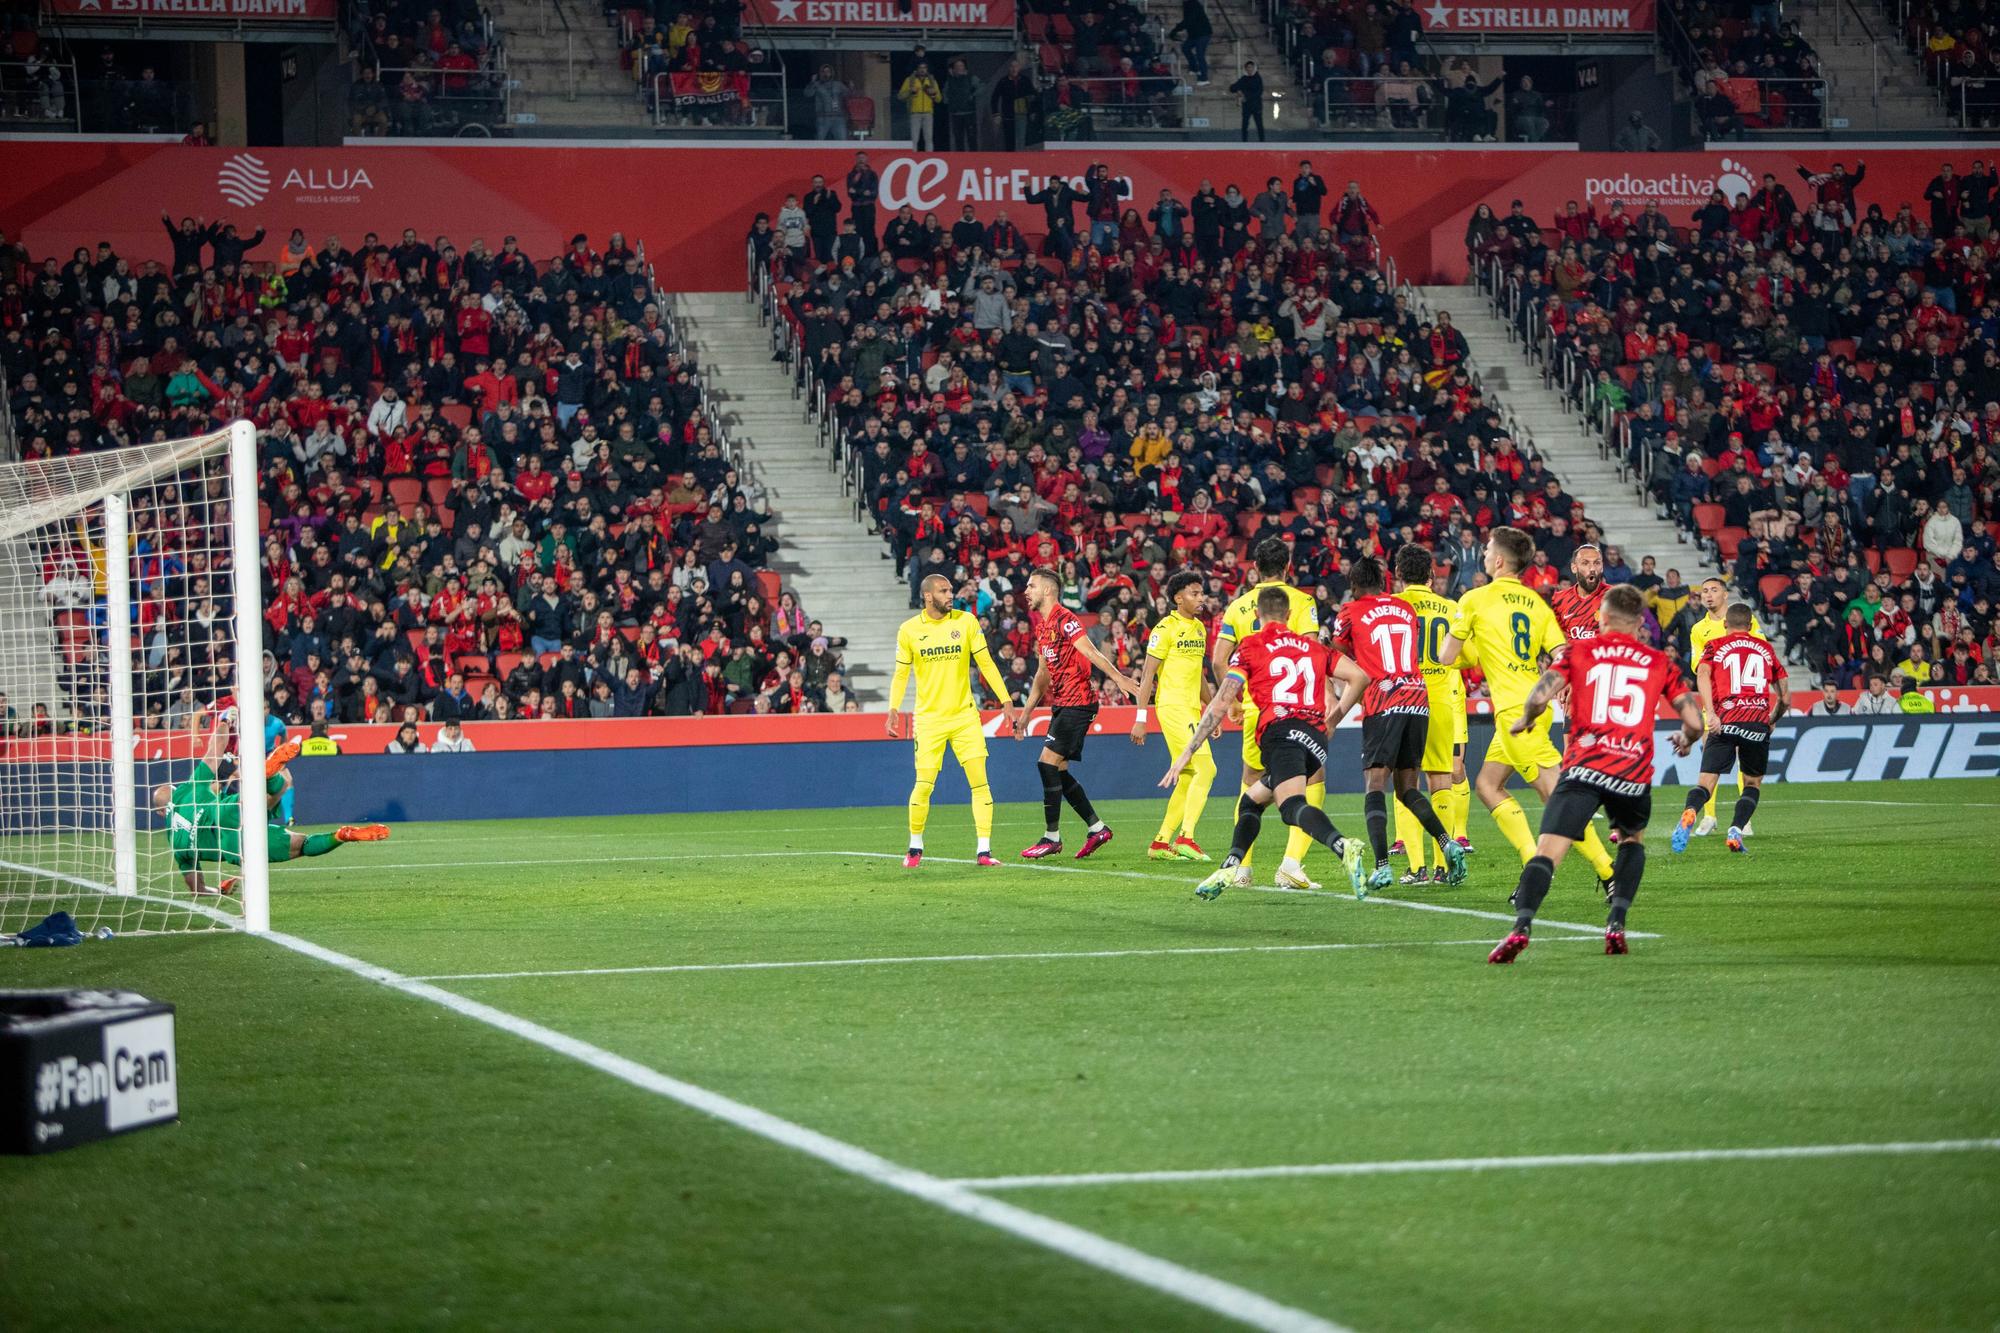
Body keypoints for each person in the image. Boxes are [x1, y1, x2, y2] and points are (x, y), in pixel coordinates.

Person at [1488, 585, 1705, 963]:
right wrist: (1686, 739)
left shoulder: (1579, 651)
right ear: (1640, 624)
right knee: (1632, 840)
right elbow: (1694, 720)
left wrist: (1526, 719)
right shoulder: (1658, 662)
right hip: (1631, 772)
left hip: (1585, 767)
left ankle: (1521, 926)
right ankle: (1616, 922)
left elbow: (1540, 695)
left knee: (1548, 851)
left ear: (1601, 618)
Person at [1440, 526, 1620, 893]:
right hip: (1534, 702)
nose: (1485, 554)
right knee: (1488, 785)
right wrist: (1560, 684)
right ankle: (1530, 859)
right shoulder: (1537, 603)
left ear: (1500, 560)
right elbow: (1561, 653)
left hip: (1515, 714)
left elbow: (1446, 657)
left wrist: (1469, 645)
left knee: (1555, 797)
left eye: (1488, 549)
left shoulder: (1474, 600)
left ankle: (1608, 872)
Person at [1170, 584, 1367, 899]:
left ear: (1259, 615)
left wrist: (1187, 751)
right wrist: (1334, 719)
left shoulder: (1250, 646)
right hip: (1315, 739)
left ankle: (1343, 846)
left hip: (1281, 733)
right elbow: (1360, 677)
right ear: (1289, 615)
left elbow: (1221, 701)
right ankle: (1230, 865)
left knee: (1290, 807)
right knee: (1252, 800)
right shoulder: (1312, 647)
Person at [1325, 557, 1468, 892]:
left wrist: (1339, 704)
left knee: (1376, 784)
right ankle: (1448, 843)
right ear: (1384, 581)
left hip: (1383, 700)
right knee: (1408, 788)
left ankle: (1383, 866)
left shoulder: (1351, 611)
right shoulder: (1404, 610)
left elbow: (1339, 657)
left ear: (1354, 586)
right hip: (1419, 699)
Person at [153, 712, 387, 897]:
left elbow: (197, 890)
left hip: (232, 847)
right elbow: (215, 749)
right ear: (174, 790)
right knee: (282, 786)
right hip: (225, 813)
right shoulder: (186, 790)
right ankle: (267, 777)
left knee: (300, 845)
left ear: (162, 812)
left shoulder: (175, 842)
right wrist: (225, 719)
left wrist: (219, 891)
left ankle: (341, 836)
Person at [1210, 538, 1324, 892]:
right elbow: (1313, 651)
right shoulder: (1301, 602)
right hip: (1295, 707)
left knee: (1249, 783)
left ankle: (1242, 868)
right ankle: (1291, 864)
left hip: (1255, 707)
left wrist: (1232, 700)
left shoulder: (1239, 606)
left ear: (1255, 568)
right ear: (1288, 566)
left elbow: (1218, 660)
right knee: (1312, 780)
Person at [1010, 566, 1141, 860]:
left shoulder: (1065, 619)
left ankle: (1051, 837)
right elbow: (1043, 673)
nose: (1026, 591)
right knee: (1058, 770)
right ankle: (1097, 828)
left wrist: (1119, 679)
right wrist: (1027, 712)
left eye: (1031, 586)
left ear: (1046, 590)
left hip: (1078, 702)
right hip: (1062, 703)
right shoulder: (1042, 627)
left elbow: (1091, 652)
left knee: (1046, 764)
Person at [887, 573, 1014, 868]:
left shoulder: (966, 622)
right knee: (924, 785)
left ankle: (984, 851)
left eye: (950, 590)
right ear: (928, 596)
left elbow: (985, 662)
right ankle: (915, 846)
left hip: (965, 716)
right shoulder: (909, 630)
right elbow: (902, 673)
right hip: (929, 720)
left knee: (980, 783)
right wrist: (893, 708)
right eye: (944, 590)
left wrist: (1006, 699)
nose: (950, 594)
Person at [1674, 603, 1787, 856]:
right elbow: (1784, 697)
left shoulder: (1715, 646)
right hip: (1756, 722)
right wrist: (1771, 719)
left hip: (1724, 721)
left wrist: (1711, 713)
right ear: (1750, 625)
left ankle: (1691, 811)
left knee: (1706, 783)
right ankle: (1736, 829)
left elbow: (1702, 674)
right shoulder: (1767, 650)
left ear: (1725, 624)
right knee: (1752, 783)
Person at [1393, 543, 1472, 884]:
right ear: (1431, 574)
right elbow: (1466, 656)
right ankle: (1443, 866)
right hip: (1440, 700)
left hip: (1404, 699)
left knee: (1404, 782)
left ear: (1398, 575)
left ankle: (1416, 868)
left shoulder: (1393, 606)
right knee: (1441, 781)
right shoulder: (1450, 607)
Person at [1131, 571, 1217, 861]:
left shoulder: (1200, 629)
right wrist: (1140, 718)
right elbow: (1147, 675)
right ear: (1178, 598)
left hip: (1192, 709)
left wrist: (1212, 709)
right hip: (1172, 706)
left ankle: (1160, 843)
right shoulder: (1165, 628)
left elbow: (1199, 675)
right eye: (1194, 593)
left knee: (1189, 774)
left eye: (1201, 593)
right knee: (1207, 769)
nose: (1201, 598)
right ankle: (1187, 838)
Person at [1687, 577, 1765, 838]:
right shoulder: (1699, 629)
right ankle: (1709, 816)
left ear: (1725, 594)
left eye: (1714, 590)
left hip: (1744, 703)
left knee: (1746, 759)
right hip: (1716, 703)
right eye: (1704, 591)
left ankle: (1745, 820)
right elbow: (1698, 667)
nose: (1708, 595)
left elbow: (1761, 651)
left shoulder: (1747, 622)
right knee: (1711, 761)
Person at [898, 62, 941, 152]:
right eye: (920, 68)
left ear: (927, 69)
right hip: (914, 113)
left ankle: (929, 157)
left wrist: (934, 93)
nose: (922, 70)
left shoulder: (932, 81)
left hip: (928, 113)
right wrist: (910, 91)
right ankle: (913, 157)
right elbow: (900, 96)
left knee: (929, 139)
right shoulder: (909, 80)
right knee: (914, 139)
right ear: (916, 69)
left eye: (924, 68)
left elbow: (939, 99)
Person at [1168, 0, 1213, 85]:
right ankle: (1194, 68)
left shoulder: (1193, 4)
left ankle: (1204, 78)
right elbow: (1188, 20)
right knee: (1186, 48)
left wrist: (1175, 29)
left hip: (1203, 33)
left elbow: (1189, 20)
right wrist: (1176, 30)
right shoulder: (1187, 4)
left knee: (1200, 54)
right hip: (1194, 34)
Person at [1229, 61, 1264, 141]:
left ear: (1254, 68)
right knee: (1244, 125)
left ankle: (1262, 143)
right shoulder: (1244, 79)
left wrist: (1245, 95)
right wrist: (1238, 90)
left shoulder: (1258, 78)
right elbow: (1232, 88)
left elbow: (1259, 92)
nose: (1249, 69)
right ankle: (1244, 142)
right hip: (1246, 106)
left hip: (1256, 106)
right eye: (1248, 68)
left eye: (1251, 67)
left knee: (1259, 125)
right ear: (1246, 69)